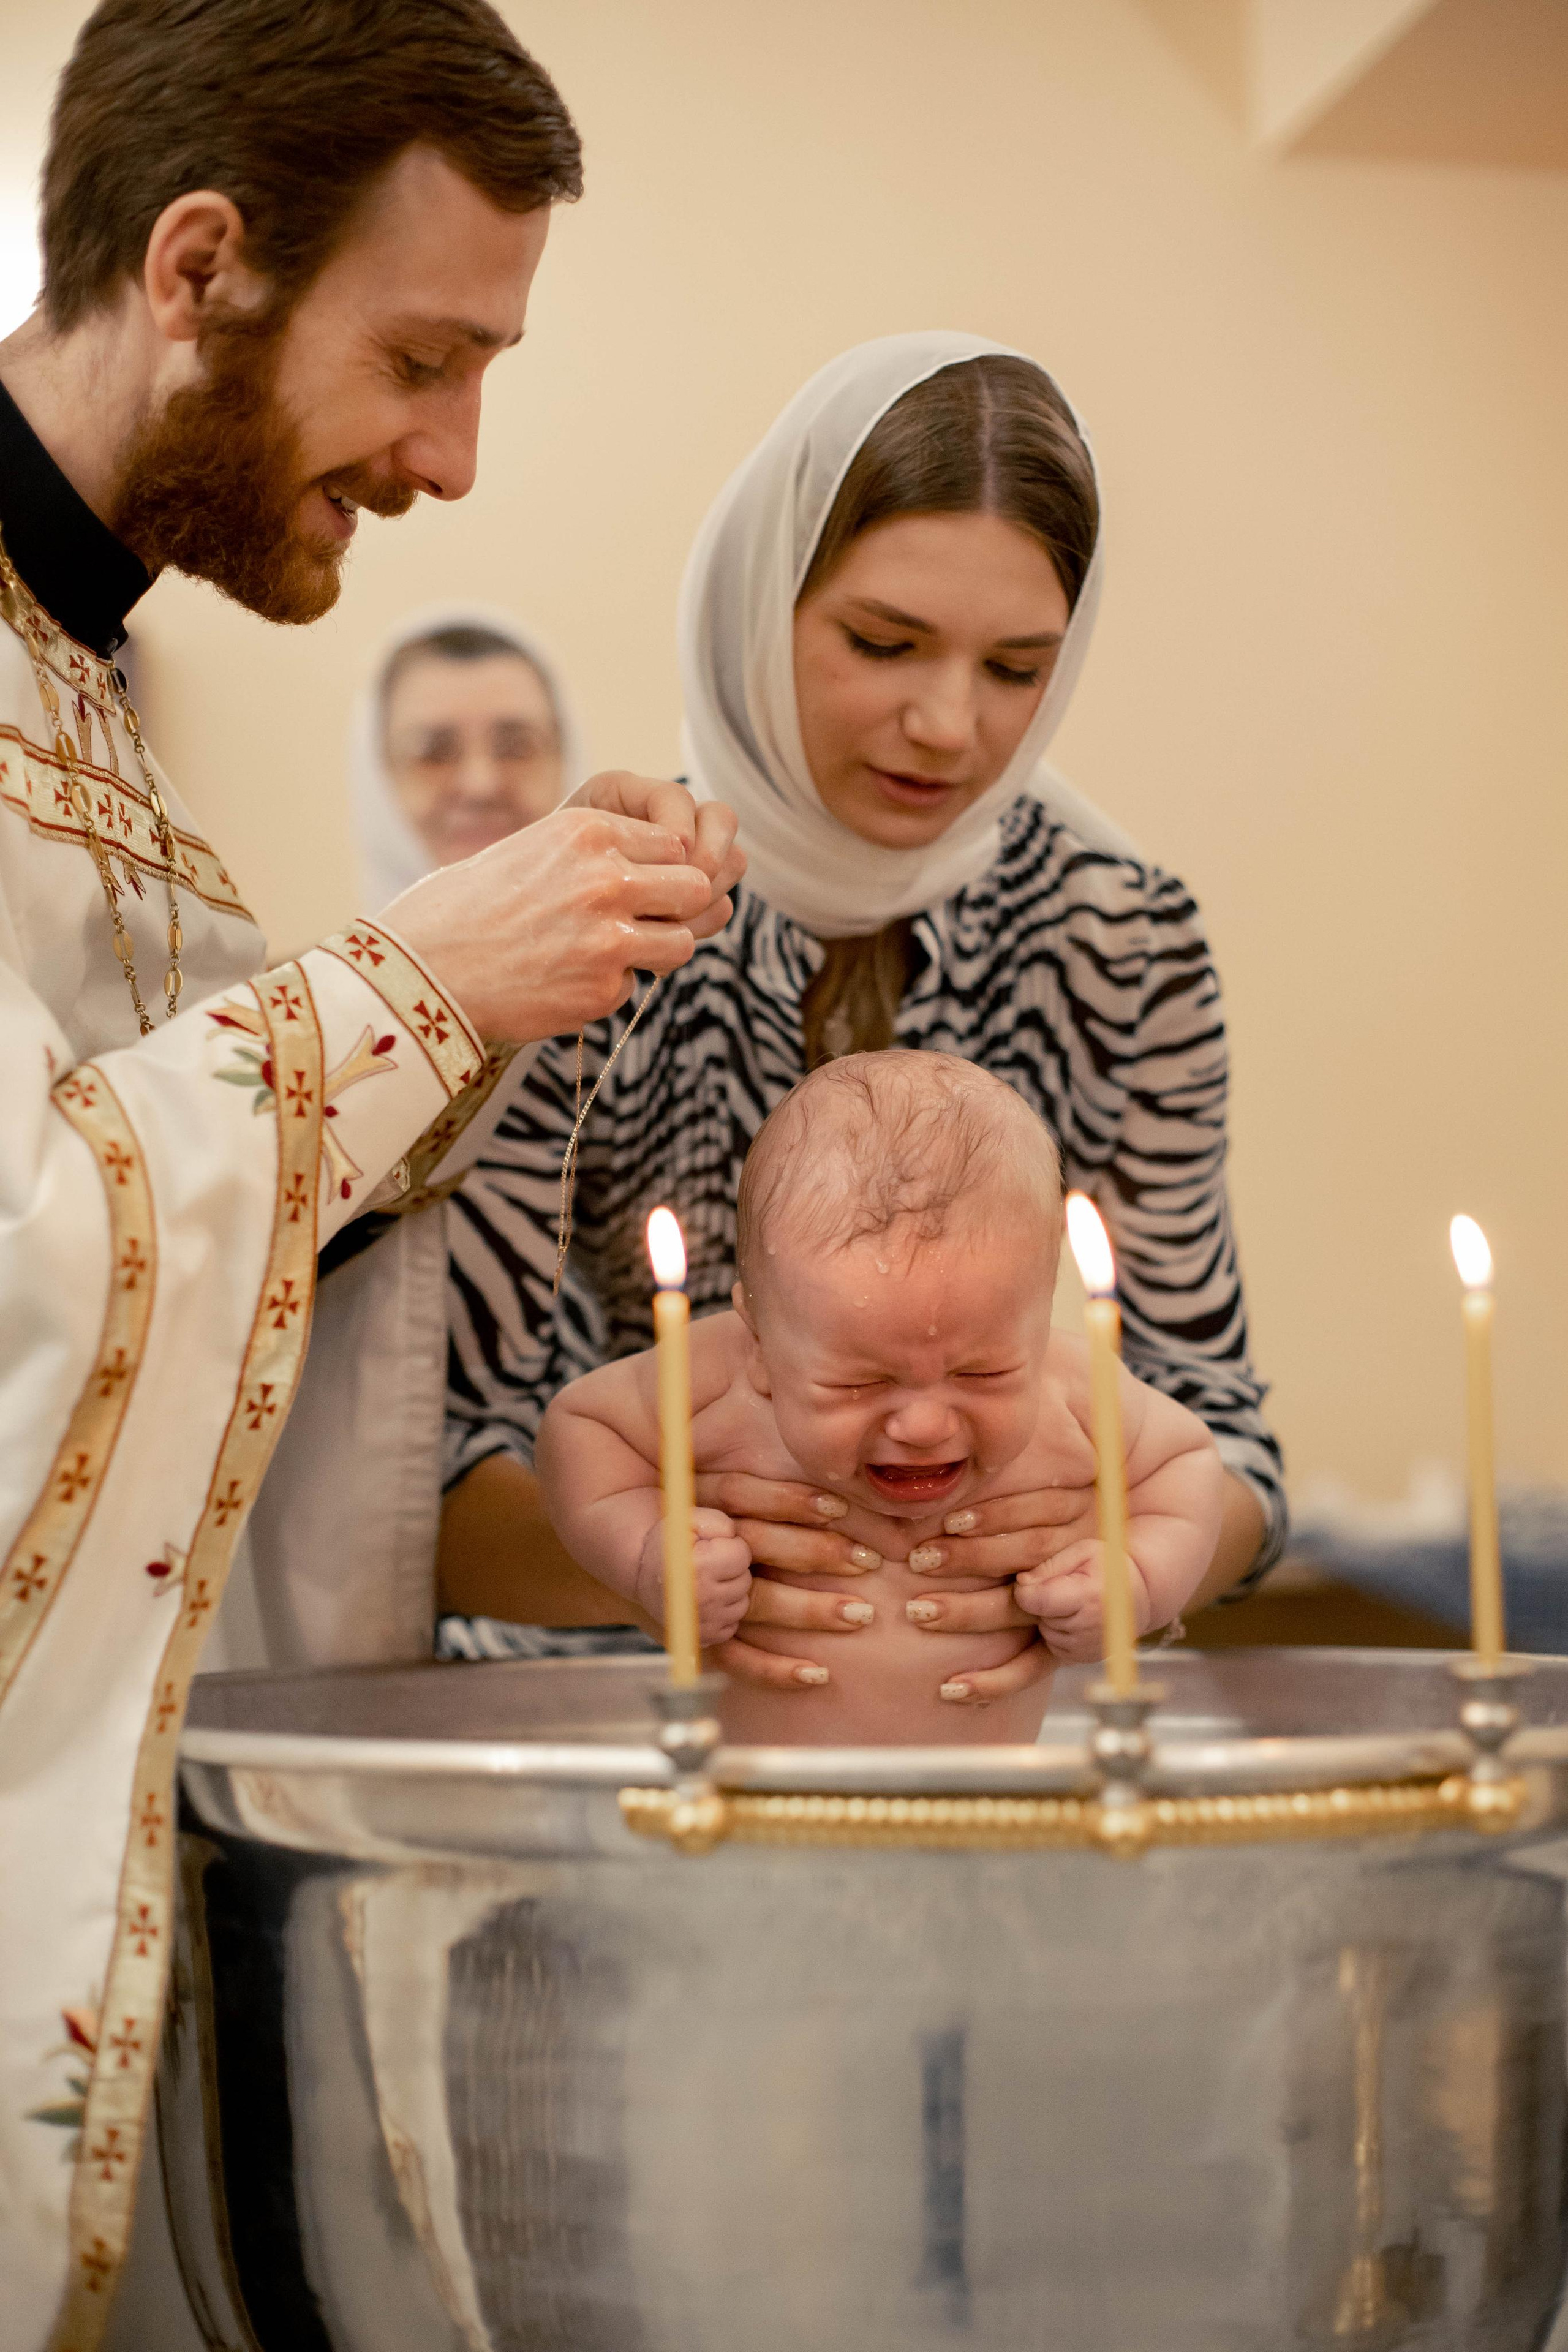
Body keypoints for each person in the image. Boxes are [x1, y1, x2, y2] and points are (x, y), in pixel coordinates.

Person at [0, 4, 742, 2341]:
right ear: (200, 261)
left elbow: (219, 1166)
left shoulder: (76, 688)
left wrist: (505, 968)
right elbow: (34, 1251)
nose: (451, 455)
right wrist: (420, 978)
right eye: (422, 355)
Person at [442, 332, 1286, 1695]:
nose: (949, 726)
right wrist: (699, 1558)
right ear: (758, 601)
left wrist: (1131, 1558)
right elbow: (425, 1490)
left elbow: (1229, 1455)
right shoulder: (606, 914)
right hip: (594, 1718)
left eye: (1016, 670)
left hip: (978, 1717)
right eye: (882, 643)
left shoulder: (1118, 943)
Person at [537, 1054, 1223, 1744]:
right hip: (750, 1809)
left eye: (982, 1374)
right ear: (761, 1342)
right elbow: (580, 1429)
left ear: (1040, 1320)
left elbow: (1186, 1460)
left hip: (990, 1811)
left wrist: (1136, 1583)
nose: (924, 1424)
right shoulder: (715, 1382)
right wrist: (644, 1557)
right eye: (859, 1383)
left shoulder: (1073, 1392)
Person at [353, 604, 587, 908]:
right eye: (433, 752)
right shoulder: (328, 959)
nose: (481, 785)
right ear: (379, 775)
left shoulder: (655, 952)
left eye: (516, 748)